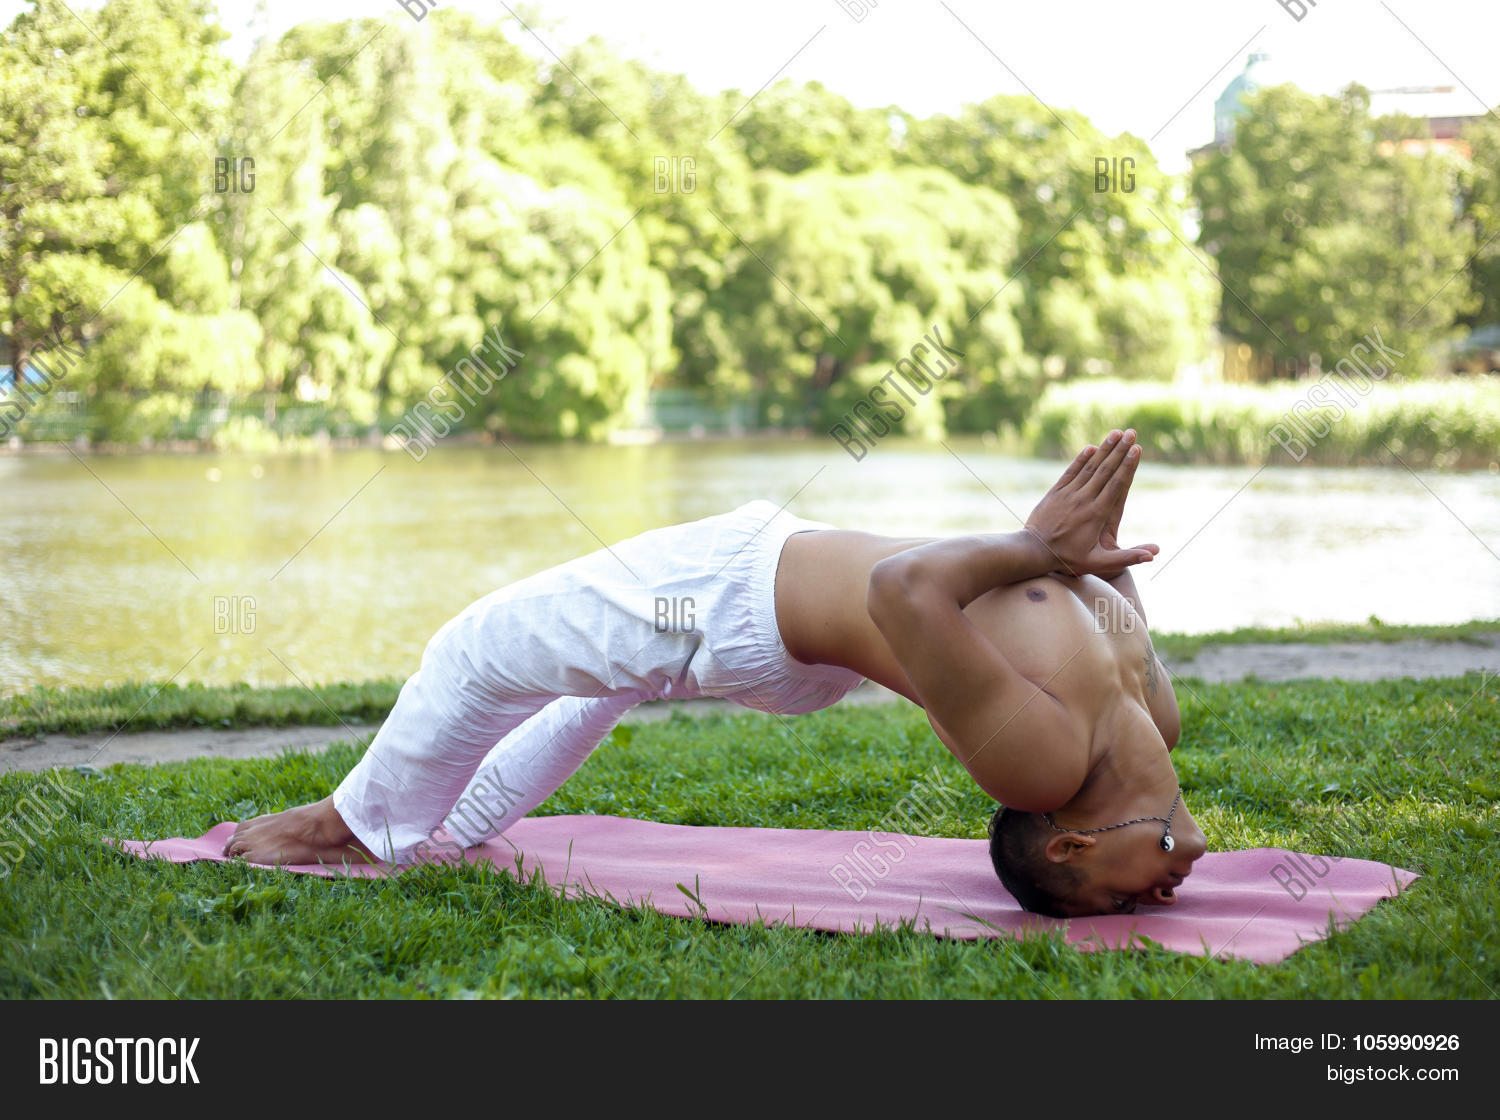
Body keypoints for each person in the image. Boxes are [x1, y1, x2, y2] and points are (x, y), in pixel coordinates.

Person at [225, 428, 1207, 917]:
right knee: (604, 676)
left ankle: (350, 825)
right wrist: (1092, 553)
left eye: (1122, 900)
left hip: (724, 600)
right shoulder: (1151, 718)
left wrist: (1036, 546)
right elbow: (1076, 589)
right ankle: (448, 819)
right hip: (758, 605)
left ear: (1070, 847)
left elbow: (904, 590)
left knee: (473, 649)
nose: (1158, 894)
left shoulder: (1039, 766)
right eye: (1139, 898)